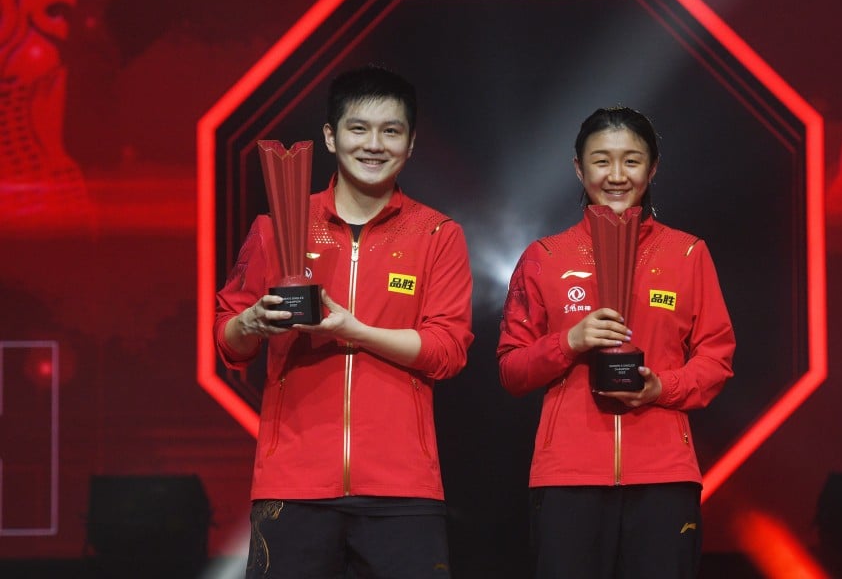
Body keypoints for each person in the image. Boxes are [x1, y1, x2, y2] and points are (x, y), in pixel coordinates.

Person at [215, 65, 474, 578]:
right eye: (358, 128)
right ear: (331, 136)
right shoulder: (276, 227)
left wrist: (353, 331)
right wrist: (251, 322)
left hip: (402, 488)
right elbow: (229, 342)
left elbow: (447, 352)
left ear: (411, 142)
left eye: (391, 131)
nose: (374, 144)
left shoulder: (437, 234)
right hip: (292, 485)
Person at [497, 106, 735, 579]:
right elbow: (512, 370)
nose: (617, 175)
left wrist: (659, 389)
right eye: (601, 160)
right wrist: (569, 341)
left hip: (665, 476)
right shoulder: (544, 256)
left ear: (653, 167)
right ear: (578, 168)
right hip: (568, 477)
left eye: (632, 160)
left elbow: (716, 359)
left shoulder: (688, 253)